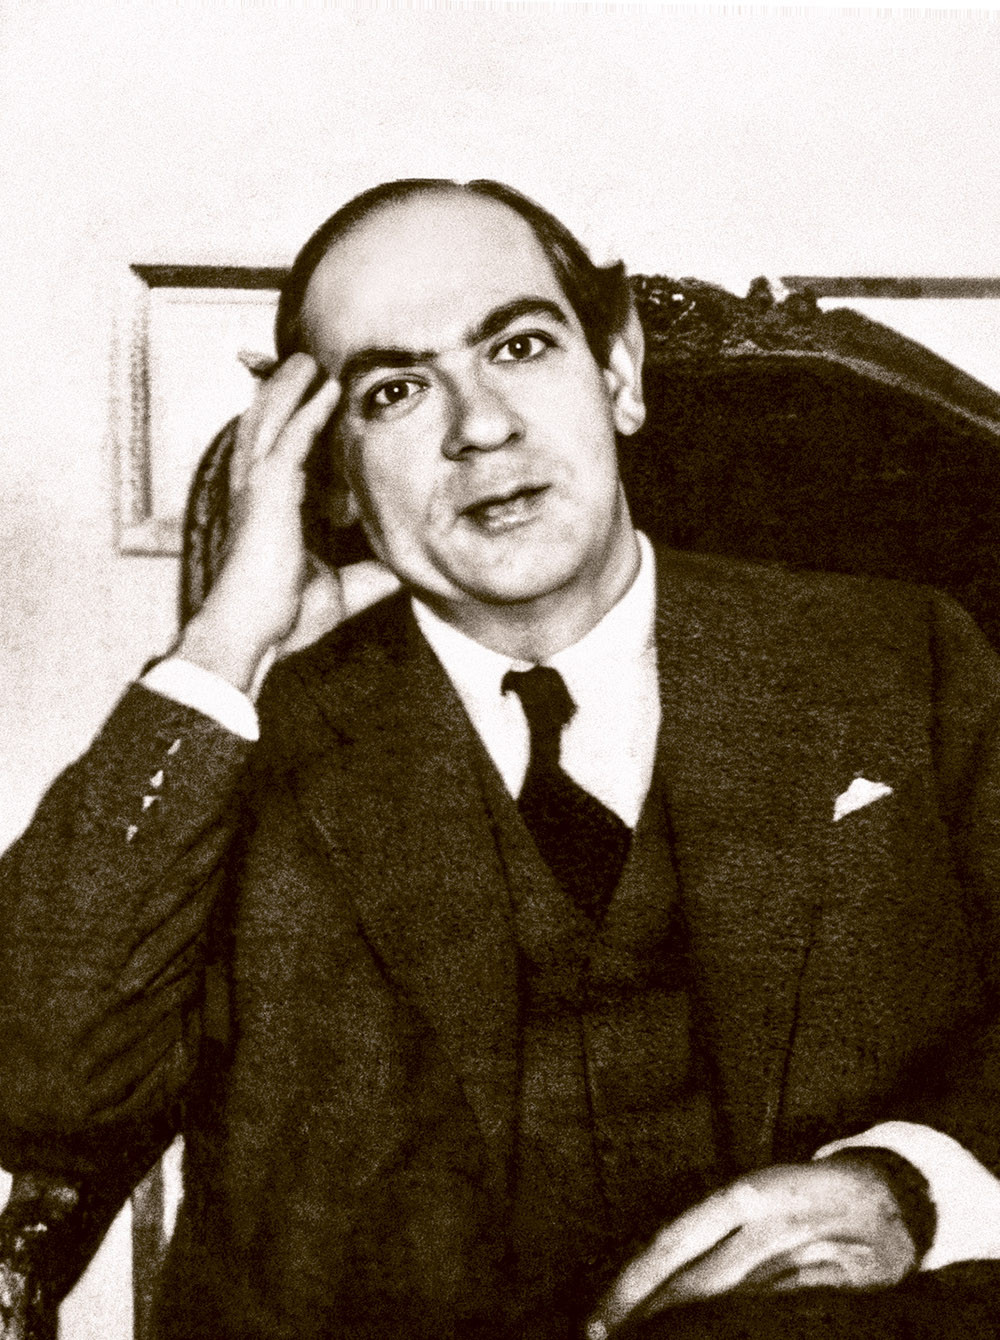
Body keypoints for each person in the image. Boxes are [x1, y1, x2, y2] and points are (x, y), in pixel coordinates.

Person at [3, 178, 1000, 1340]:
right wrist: (228, 638)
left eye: (519, 346)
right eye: (395, 390)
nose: (479, 427)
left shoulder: (895, 658)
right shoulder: (248, 739)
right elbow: (39, 1086)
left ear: (618, 373)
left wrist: (909, 1181)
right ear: (332, 473)